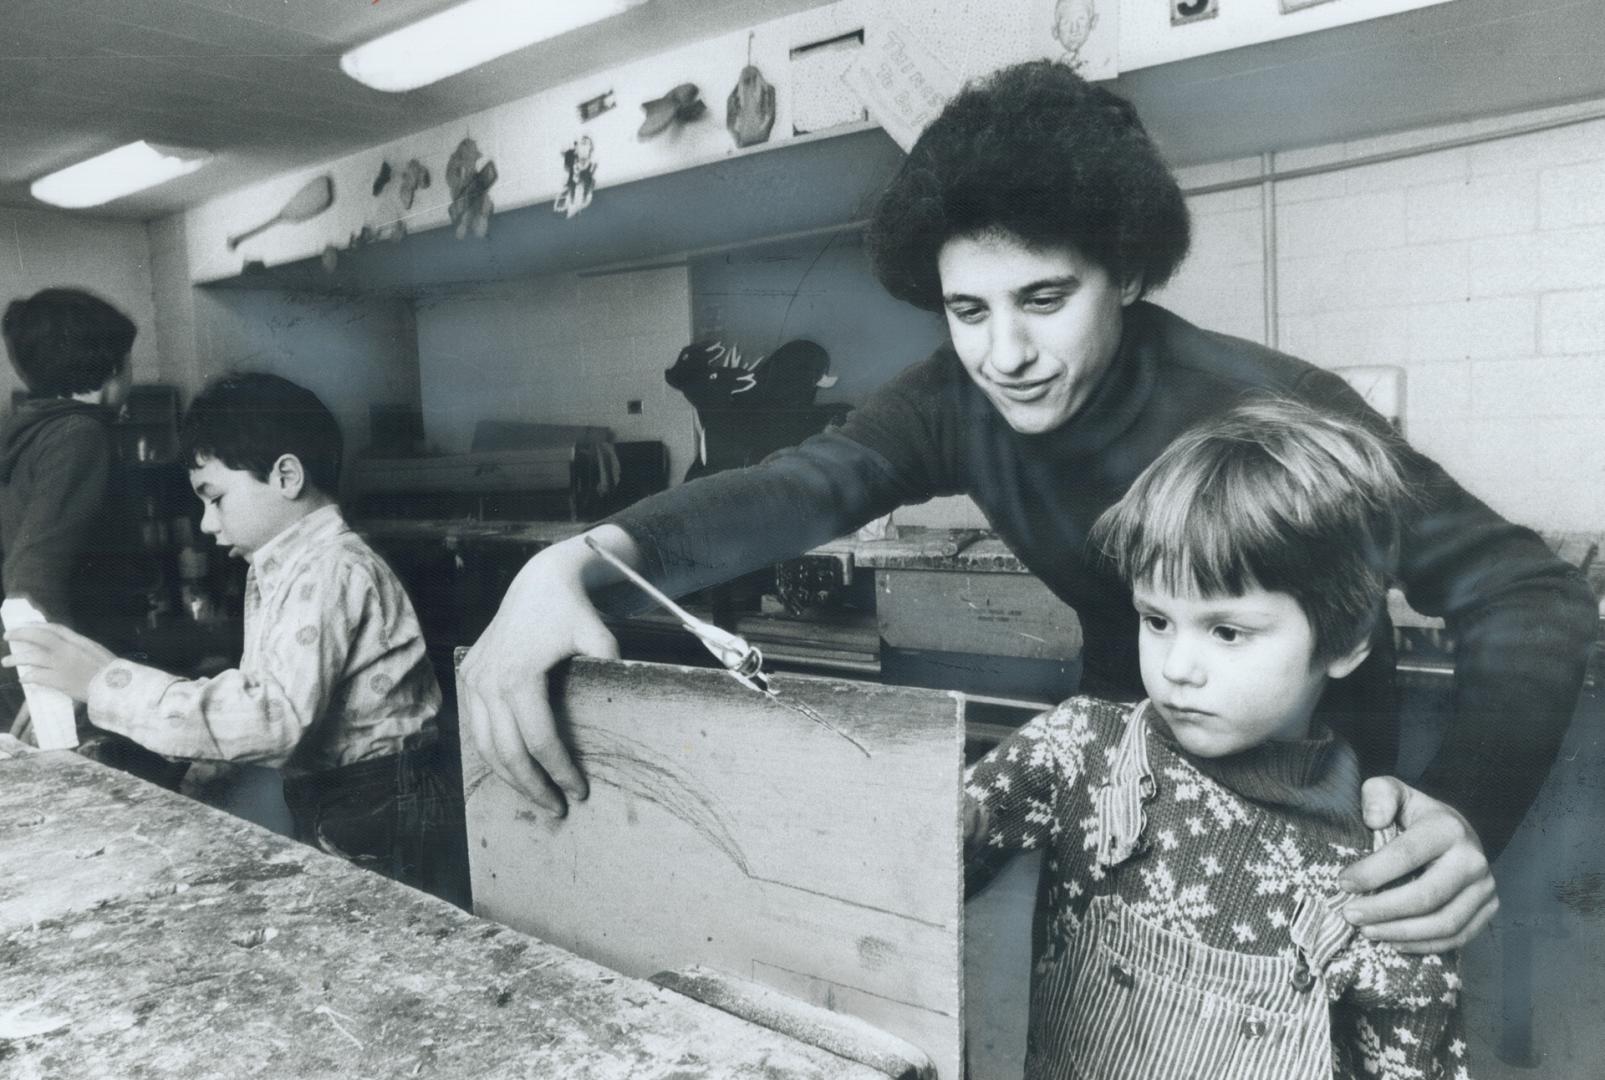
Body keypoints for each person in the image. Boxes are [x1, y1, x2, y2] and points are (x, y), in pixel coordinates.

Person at [461, 61, 1597, 952]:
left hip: (1312, 806)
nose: (1004, 353)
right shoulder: (955, 401)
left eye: (1045, 299)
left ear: (1129, 274)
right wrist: (569, 566)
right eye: (967, 309)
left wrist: (1463, 817)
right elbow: (800, 487)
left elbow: (1526, 591)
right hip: (1120, 774)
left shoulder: (1275, 409)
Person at [966, 398, 1468, 1079]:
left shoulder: (1385, 878)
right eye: (1156, 619)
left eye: (1226, 631)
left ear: (1346, 640)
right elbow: (926, 861)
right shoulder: (1081, 750)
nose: (1175, 669)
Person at [3, 372, 467, 906]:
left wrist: (105, 682)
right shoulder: (280, 567)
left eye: (215, 498)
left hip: (386, 801)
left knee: (393, 930)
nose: (205, 523)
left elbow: (273, 718)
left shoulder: (332, 568)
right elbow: (262, 690)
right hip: (346, 797)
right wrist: (213, 764)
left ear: (287, 475)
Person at [0, 288, 135, 719]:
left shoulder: (31, 429)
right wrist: (55, 696)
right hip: (64, 669)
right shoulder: (79, 434)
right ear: (113, 366)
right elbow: (31, 572)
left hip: (30, 660)